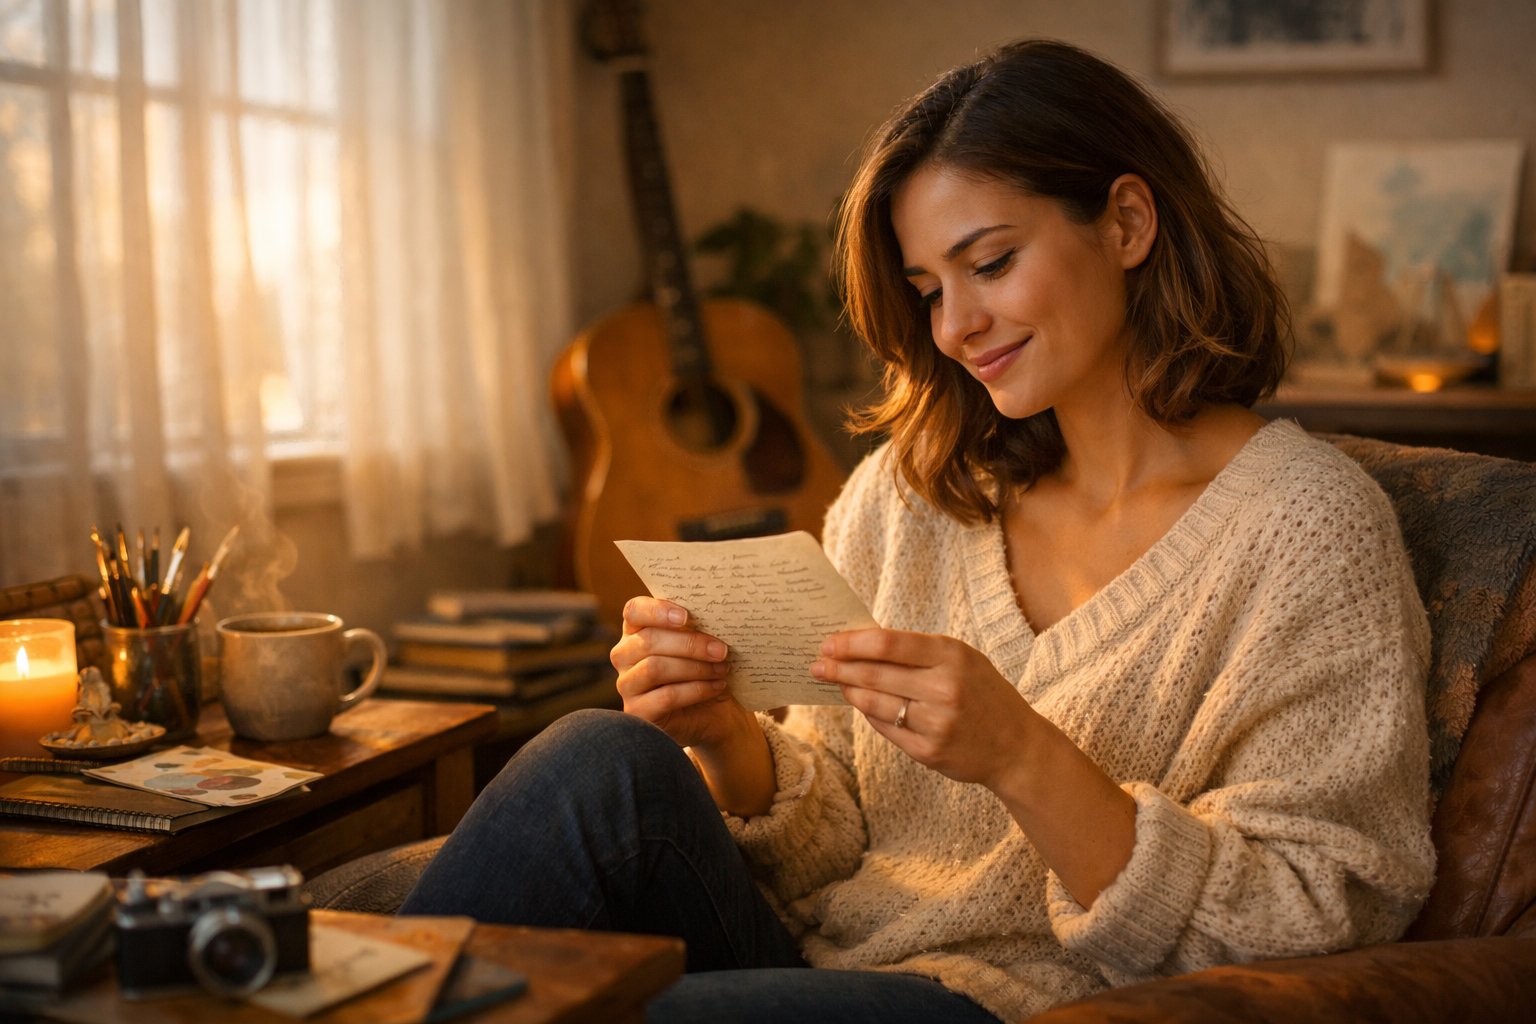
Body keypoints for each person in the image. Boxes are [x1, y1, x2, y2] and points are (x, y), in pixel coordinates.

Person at [401, 39, 1434, 1023]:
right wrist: (722, 737)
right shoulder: (915, 491)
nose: (954, 328)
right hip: (812, 964)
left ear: (1126, 223)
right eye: (930, 289)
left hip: (1017, 1004)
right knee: (600, 750)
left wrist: (1024, 756)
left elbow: (1319, 911)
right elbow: (833, 829)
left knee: (585, 1008)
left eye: (990, 262)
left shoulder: (1308, 528)